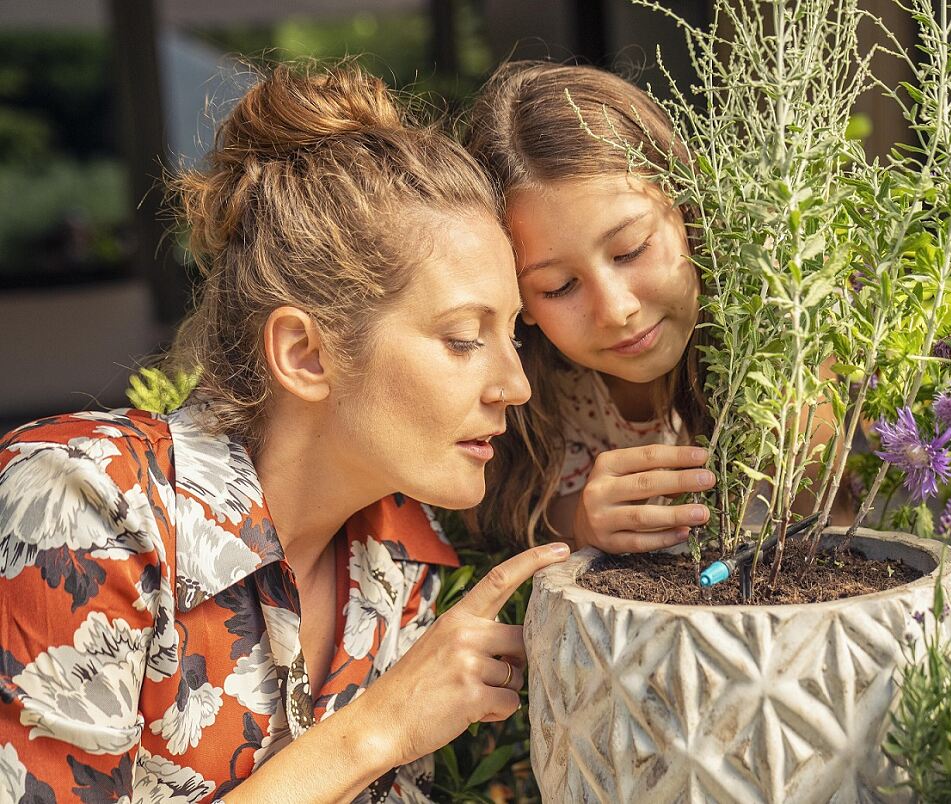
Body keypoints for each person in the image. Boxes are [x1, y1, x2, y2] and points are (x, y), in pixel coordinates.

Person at [0, 63, 566, 803]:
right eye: (463, 338)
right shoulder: (85, 504)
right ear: (305, 353)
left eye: (514, 335)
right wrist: (379, 728)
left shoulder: (401, 563)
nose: (515, 385)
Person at [466, 62, 846, 555]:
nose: (616, 309)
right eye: (558, 287)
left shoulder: (777, 339)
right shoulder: (525, 388)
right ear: (516, 301)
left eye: (630, 251)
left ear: (687, 210)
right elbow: (515, 511)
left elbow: (827, 527)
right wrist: (580, 523)